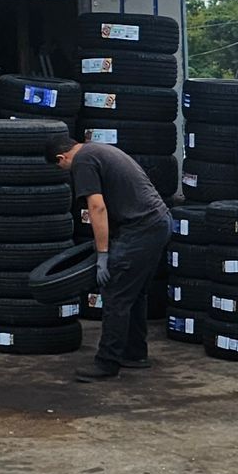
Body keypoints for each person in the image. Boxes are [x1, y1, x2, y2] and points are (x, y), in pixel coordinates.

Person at [52, 137, 172, 376]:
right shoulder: (100, 150)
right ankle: (135, 353)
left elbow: (97, 207)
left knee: (115, 293)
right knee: (135, 293)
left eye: (60, 168)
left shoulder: (83, 161)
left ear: (61, 158)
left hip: (140, 228)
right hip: (158, 222)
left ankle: (107, 363)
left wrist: (103, 254)